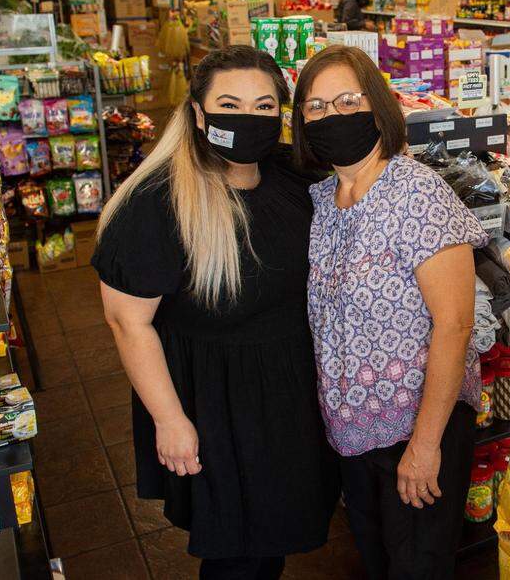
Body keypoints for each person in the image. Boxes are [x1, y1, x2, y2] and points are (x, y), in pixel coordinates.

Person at [93, 46, 338, 580]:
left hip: (290, 395)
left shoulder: (292, 176)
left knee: (270, 538)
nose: (247, 118)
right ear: (199, 114)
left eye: (263, 106)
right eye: (229, 104)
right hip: (216, 403)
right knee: (237, 553)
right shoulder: (158, 202)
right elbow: (128, 322)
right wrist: (170, 420)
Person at [292, 45, 488, 580]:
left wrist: (424, 446)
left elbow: (455, 325)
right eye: (316, 107)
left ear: (377, 108)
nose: (332, 116)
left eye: (347, 101)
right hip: (353, 435)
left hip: (417, 428)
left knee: (417, 567)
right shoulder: (323, 201)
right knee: (378, 561)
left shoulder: (417, 193)